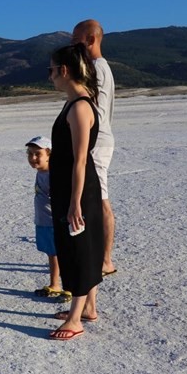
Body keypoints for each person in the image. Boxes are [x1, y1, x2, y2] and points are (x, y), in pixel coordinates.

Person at [47, 44, 105, 340]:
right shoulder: (73, 103)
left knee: (78, 249)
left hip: (78, 190)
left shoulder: (81, 106)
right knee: (81, 245)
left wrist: (74, 202)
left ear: (64, 71)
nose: (50, 77)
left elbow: (80, 159)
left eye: (51, 70)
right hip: (69, 187)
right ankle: (88, 308)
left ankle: (74, 320)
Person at [72, 20, 117, 276]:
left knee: (100, 201)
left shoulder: (97, 69)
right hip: (99, 139)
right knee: (98, 199)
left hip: (96, 141)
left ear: (90, 39)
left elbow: (86, 107)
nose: (71, 44)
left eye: (75, 40)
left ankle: (105, 260)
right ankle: (102, 257)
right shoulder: (100, 68)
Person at [25, 136, 64, 300]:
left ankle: (67, 286)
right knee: (51, 254)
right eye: (30, 154)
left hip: (54, 222)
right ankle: (54, 284)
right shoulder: (41, 173)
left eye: (38, 154)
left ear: (49, 155)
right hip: (43, 221)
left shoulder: (53, 175)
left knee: (60, 255)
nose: (33, 158)